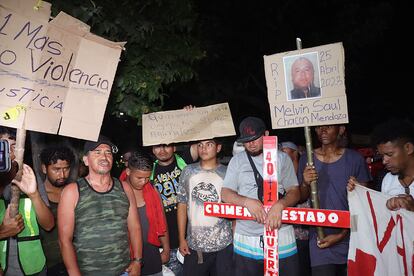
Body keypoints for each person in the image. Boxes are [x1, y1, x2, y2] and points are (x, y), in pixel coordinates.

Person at [221, 116, 300, 276]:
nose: (251, 143)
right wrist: (246, 202)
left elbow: (295, 191)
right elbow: (225, 193)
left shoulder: (282, 158)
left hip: (281, 234)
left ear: (266, 134)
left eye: (255, 138)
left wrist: (280, 204)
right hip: (247, 237)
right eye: (246, 140)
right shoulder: (237, 161)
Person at [58, 135, 143, 275]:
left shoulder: (125, 188)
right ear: (86, 160)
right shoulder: (72, 191)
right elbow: (64, 240)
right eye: (97, 152)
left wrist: (138, 261)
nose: (104, 157)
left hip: (124, 271)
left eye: (108, 152)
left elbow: (135, 227)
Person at [298, 124, 371, 276]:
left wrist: (342, 234)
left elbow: (364, 204)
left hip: (353, 235)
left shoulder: (355, 159)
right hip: (320, 238)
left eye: (328, 127)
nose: (322, 131)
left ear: (341, 129)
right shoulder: (307, 158)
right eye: (318, 127)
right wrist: (305, 182)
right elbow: (303, 196)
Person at [0, 127, 55, 276]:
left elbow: (49, 225)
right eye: (3, 146)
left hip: (33, 266)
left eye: (14, 146)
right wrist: (2, 232)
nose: (9, 152)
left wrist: (34, 194)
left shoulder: (29, 176)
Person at [177, 139, 233, 275]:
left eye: (209, 144)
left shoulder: (228, 173)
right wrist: (181, 239)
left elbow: (234, 207)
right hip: (195, 245)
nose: (203, 148)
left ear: (218, 147)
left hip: (223, 244)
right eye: (200, 145)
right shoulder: (188, 171)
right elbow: (182, 205)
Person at [150, 143, 198, 275]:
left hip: (191, 237)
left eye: (166, 146)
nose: (162, 150)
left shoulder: (184, 161)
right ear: (153, 150)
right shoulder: (149, 172)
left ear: (174, 147)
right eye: (157, 147)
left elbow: (201, 142)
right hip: (166, 243)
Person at [348, 119, 414, 211]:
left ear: (408, 148)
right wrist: (360, 192)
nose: (384, 161)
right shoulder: (387, 179)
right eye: (382, 156)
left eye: (389, 154)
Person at [125, 151, 170, 276]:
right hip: (128, 255)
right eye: (139, 178)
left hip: (152, 253)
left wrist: (166, 249)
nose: (143, 182)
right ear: (128, 172)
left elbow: (162, 220)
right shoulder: (119, 192)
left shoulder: (152, 190)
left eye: (147, 178)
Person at [39, 145, 75, 276]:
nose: (62, 174)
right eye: (56, 169)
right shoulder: (37, 195)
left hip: (75, 260)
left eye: (66, 169)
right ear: (44, 168)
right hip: (48, 265)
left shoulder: (74, 192)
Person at [280, 141, 312, 276]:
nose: (282, 153)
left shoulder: (305, 171)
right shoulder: (280, 172)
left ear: (295, 152)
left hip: (305, 232)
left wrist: (305, 183)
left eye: (285, 150)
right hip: (287, 233)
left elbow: (303, 196)